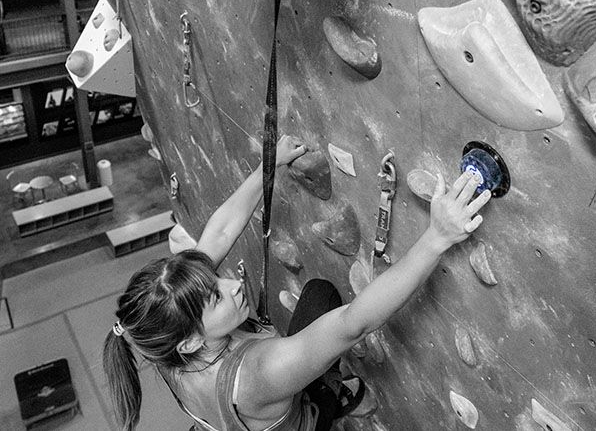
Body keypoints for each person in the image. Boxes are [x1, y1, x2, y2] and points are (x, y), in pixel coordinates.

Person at [103, 162, 491, 431]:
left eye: (215, 279)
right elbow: (352, 323)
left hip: (230, 417)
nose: (232, 285)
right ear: (188, 340)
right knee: (323, 299)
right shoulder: (264, 372)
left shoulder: (163, 343)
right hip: (293, 416)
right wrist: (436, 237)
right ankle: (332, 397)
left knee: (317, 294)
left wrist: (268, 166)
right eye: (216, 299)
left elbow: (219, 234)